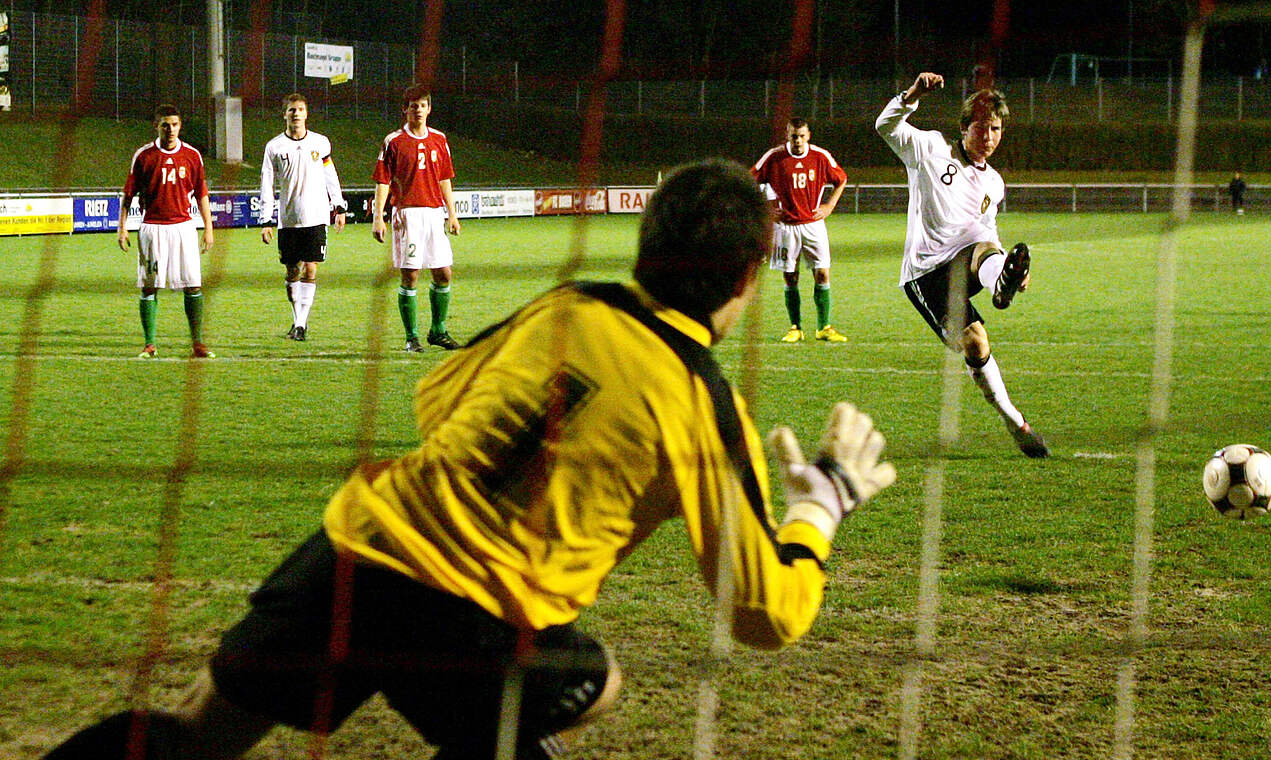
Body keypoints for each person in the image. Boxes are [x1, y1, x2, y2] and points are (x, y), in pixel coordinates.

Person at [42, 159, 897, 760]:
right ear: (750, 276)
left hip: (361, 546)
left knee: (197, 734)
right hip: (479, 612)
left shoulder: (568, 304)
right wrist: (821, 501)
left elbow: (438, 402)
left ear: (646, 246)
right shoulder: (706, 406)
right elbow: (765, 614)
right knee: (588, 684)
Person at [875, 72, 1049, 458]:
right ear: (964, 127)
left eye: (996, 129)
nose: (989, 137)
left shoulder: (995, 184)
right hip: (926, 273)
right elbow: (885, 126)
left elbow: (986, 233)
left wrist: (1005, 266)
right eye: (982, 128)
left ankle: (1000, 285)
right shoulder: (929, 148)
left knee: (986, 245)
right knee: (974, 343)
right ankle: (1013, 420)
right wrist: (912, 95)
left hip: (969, 261)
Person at [117, 103, 215, 359]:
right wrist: (122, 228)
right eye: (165, 125)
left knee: (193, 285)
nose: (170, 129)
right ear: (156, 126)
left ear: (180, 126)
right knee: (150, 287)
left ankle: (198, 343)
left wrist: (208, 228)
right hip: (153, 229)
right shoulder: (144, 156)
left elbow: (202, 194)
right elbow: (128, 194)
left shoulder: (193, 155)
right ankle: (150, 344)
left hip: (184, 227)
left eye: (174, 124)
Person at [371, 83, 461, 353]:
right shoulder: (393, 141)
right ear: (405, 110)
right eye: (413, 106)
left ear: (429, 109)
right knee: (411, 275)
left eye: (422, 106)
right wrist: (378, 217)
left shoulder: (440, 139)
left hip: (435, 214)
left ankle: (438, 331)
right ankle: (412, 338)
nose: (418, 110)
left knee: (443, 273)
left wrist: (452, 214)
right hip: (407, 215)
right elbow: (383, 181)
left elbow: (445, 178)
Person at [751, 117, 850, 343]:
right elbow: (749, 180)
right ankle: (795, 327)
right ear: (788, 135)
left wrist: (830, 205)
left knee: (823, 273)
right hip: (785, 228)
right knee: (790, 277)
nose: (797, 140)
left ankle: (824, 327)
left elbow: (841, 179)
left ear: (808, 135)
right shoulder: (774, 157)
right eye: (794, 136)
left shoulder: (820, 156)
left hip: (814, 225)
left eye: (801, 136)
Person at [260, 92, 348, 342]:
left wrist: (339, 206)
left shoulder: (320, 143)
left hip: (317, 216)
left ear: (306, 113)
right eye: (291, 110)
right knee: (291, 271)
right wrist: (266, 219)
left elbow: (330, 174)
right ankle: (297, 319)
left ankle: (300, 324)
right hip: (288, 220)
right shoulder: (274, 147)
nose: (296, 113)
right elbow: (267, 183)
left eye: (300, 109)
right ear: (284, 114)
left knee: (310, 268)